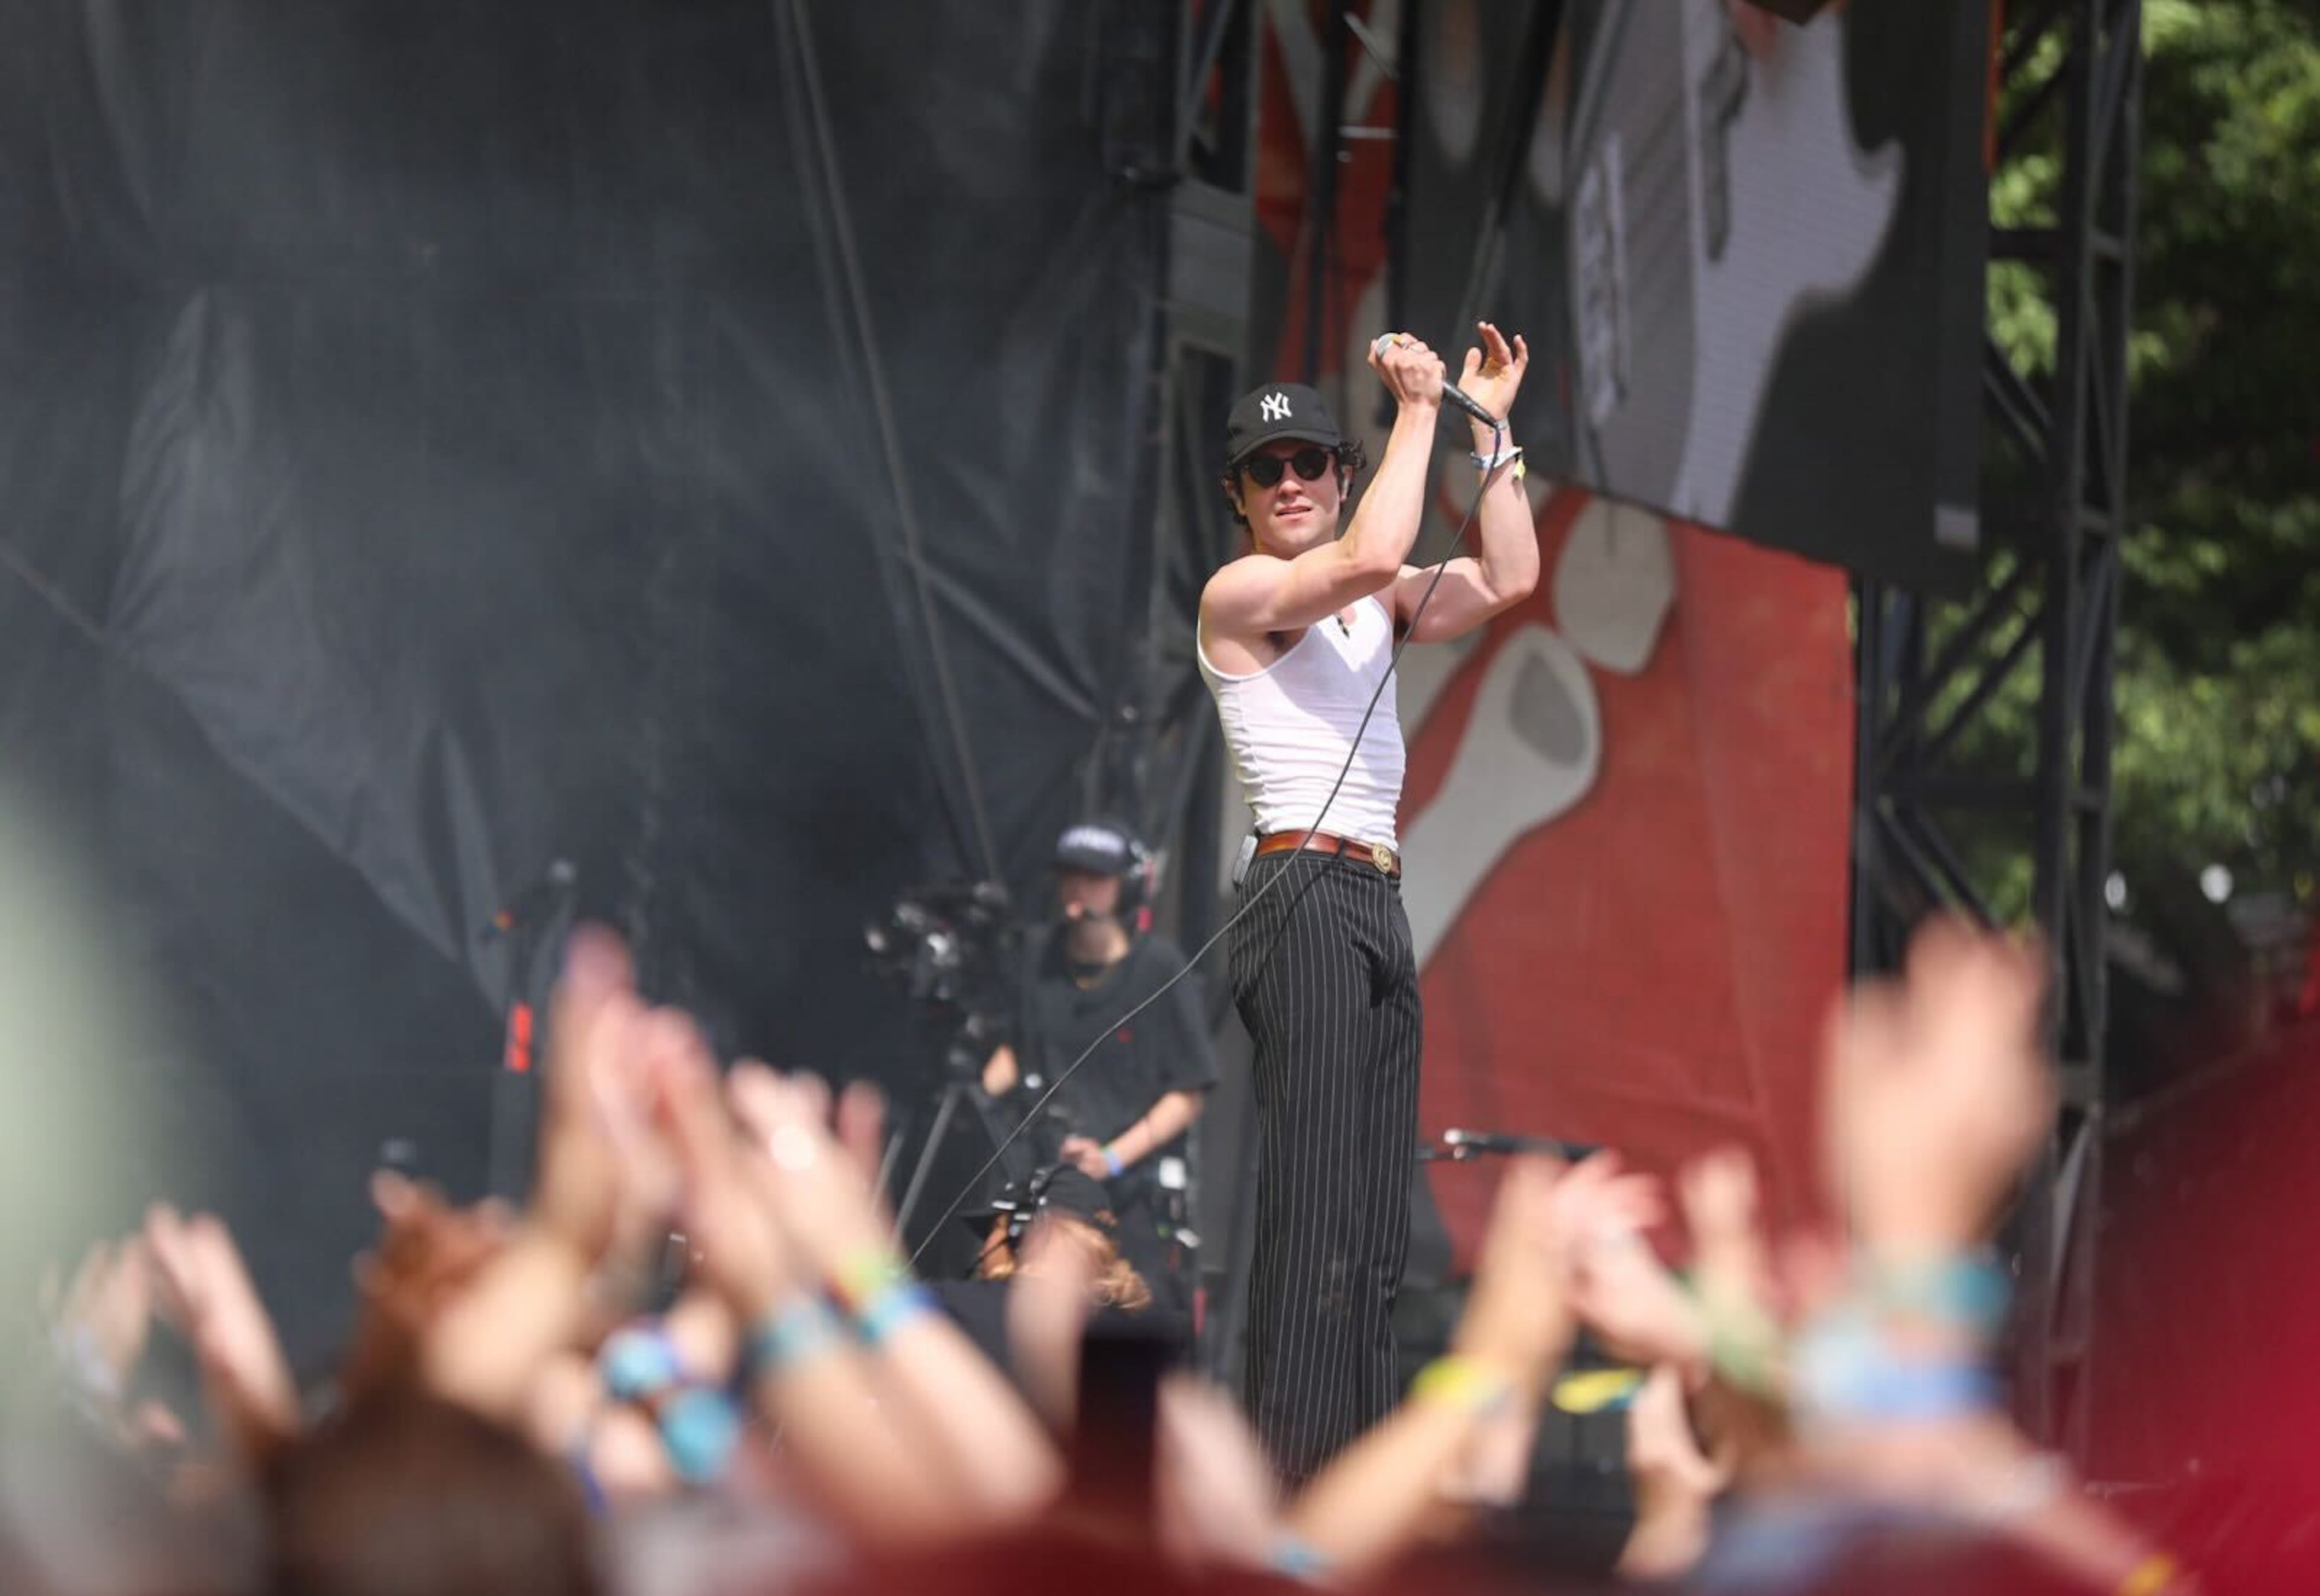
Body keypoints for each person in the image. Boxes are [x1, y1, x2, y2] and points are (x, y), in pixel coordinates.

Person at [1196, 325, 1539, 1484]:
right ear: (1240, 498)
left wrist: (1488, 429)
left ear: (1340, 475)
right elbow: (1368, 554)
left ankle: (1355, 1484)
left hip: (1376, 900)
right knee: (1313, 1211)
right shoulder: (1245, 591)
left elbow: (1511, 578)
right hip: (1299, 891)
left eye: (1309, 462)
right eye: (1267, 470)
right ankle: (1287, 1491)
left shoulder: (1374, 598)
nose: (1290, 483)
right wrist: (1421, 409)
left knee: (1373, 1225)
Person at [982, 820, 1219, 1311]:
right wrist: (976, 1093)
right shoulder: (1036, 955)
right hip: (1038, 1176)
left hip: (1125, 1191)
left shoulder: (1159, 968)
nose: (1079, 889)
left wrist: (1111, 1158)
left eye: (1095, 878)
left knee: (1122, 1317)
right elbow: (1015, 1050)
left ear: (1127, 887)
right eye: (1071, 875)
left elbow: (1189, 1091)